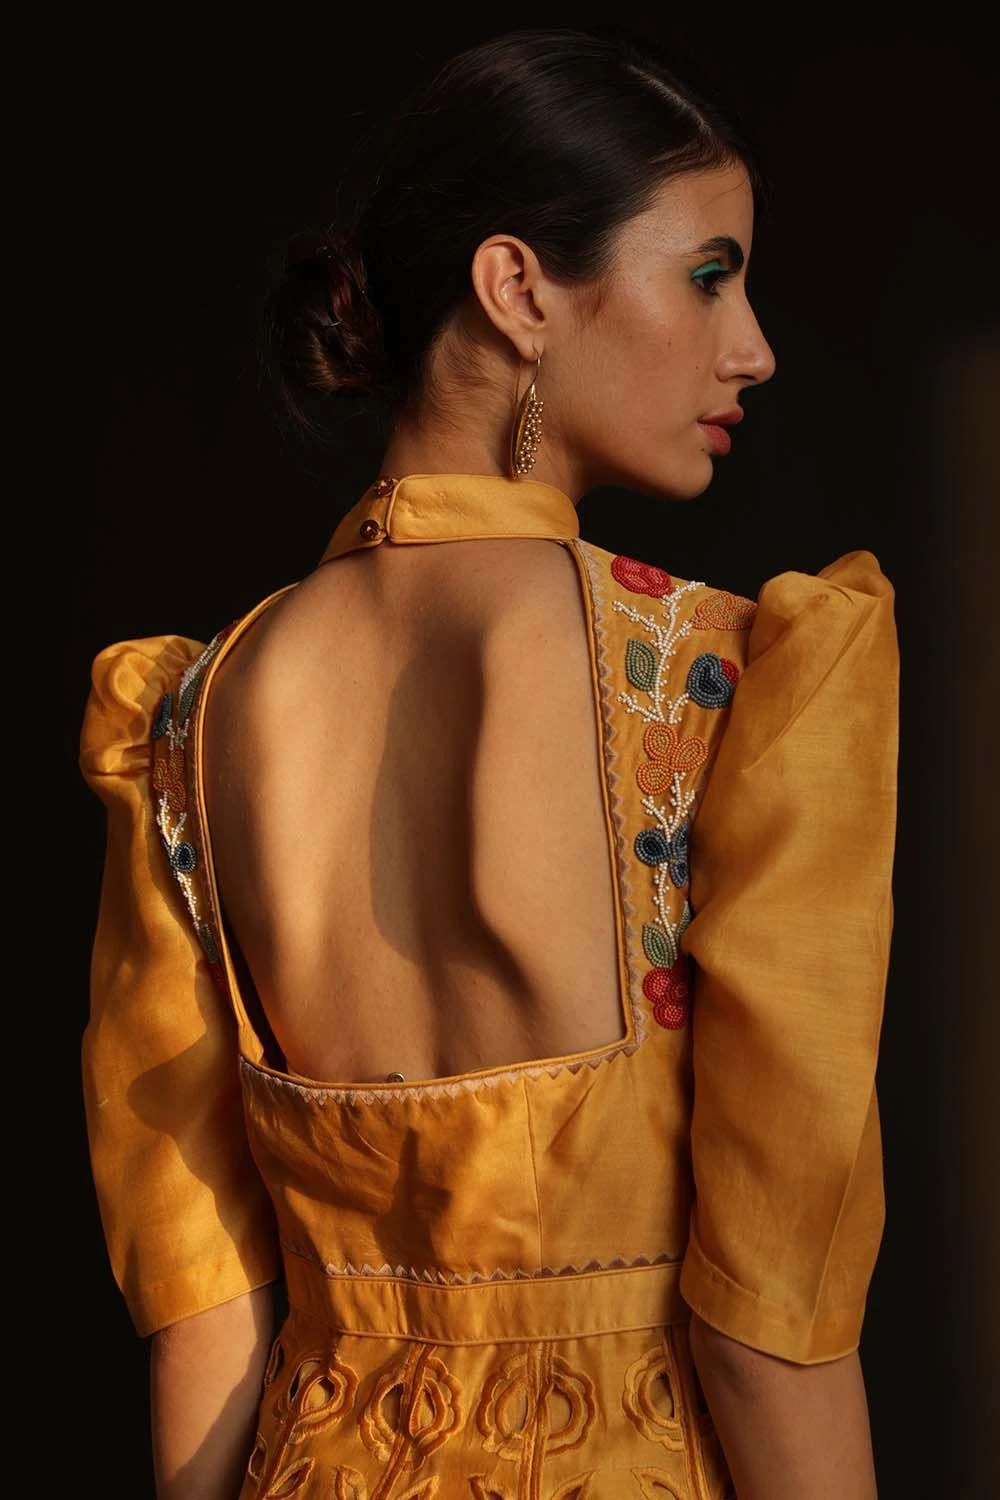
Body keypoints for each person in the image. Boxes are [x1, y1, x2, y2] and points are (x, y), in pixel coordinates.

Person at [78, 25, 898, 1500]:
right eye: (708, 275)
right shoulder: (727, 686)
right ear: (519, 289)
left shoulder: (194, 713)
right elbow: (767, 1327)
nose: (753, 347)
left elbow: (203, 1311)